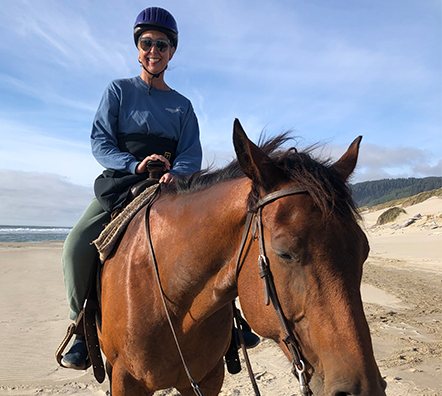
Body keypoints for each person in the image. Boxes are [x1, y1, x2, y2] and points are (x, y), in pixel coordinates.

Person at [61, 7, 258, 371]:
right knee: (74, 246)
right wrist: (132, 164)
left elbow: (191, 151)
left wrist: (177, 173)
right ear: (138, 48)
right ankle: (79, 328)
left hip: (170, 185)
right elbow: (100, 142)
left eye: (162, 45)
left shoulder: (182, 106)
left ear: (172, 52)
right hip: (122, 184)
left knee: (213, 240)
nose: (154, 50)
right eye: (147, 43)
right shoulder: (117, 91)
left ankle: (232, 322)